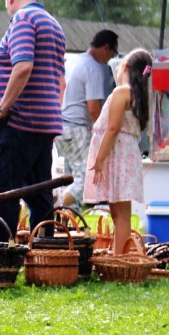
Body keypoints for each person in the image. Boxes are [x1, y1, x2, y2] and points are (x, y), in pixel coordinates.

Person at [0, 0, 66, 241]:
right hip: (44, 123)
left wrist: (1, 109)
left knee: (4, 192)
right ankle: (45, 250)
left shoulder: (23, 19)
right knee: (40, 192)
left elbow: (23, 66)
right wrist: (53, 115)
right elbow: (60, 82)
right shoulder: (54, 25)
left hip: (20, 121)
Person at [83, 49, 153, 254]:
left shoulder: (121, 92)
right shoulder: (140, 95)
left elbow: (112, 129)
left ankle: (119, 256)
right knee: (121, 213)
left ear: (126, 68)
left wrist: (100, 159)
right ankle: (118, 252)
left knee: (120, 214)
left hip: (117, 156)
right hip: (127, 155)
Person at [55, 29, 118, 209]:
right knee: (85, 180)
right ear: (106, 48)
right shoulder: (94, 68)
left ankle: (64, 225)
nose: (111, 58)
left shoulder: (74, 61)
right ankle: (51, 209)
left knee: (66, 179)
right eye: (113, 53)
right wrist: (104, 133)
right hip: (77, 129)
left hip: (60, 127)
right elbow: (93, 109)